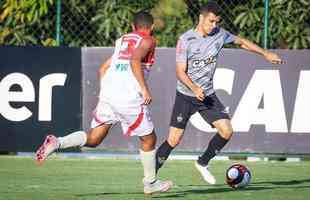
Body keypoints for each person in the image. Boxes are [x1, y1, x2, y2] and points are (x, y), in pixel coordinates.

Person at [35, 11, 173, 195]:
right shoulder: (148, 40)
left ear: (132, 26)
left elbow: (103, 69)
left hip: (109, 94)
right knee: (149, 139)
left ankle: (57, 142)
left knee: (94, 139)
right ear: (152, 27)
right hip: (128, 96)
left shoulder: (122, 40)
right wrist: (144, 88)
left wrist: (106, 94)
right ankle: (150, 183)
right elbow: (134, 60)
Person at [155, 1, 283, 184]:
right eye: (211, 21)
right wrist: (194, 88)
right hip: (186, 95)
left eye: (217, 22)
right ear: (201, 18)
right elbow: (179, 72)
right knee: (173, 140)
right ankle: (151, 177)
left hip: (207, 95)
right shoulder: (186, 40)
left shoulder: (219, 34)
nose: (214, 25)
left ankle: (202, 162)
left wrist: (265, 53)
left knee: (226, 131)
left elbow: (241, 42)